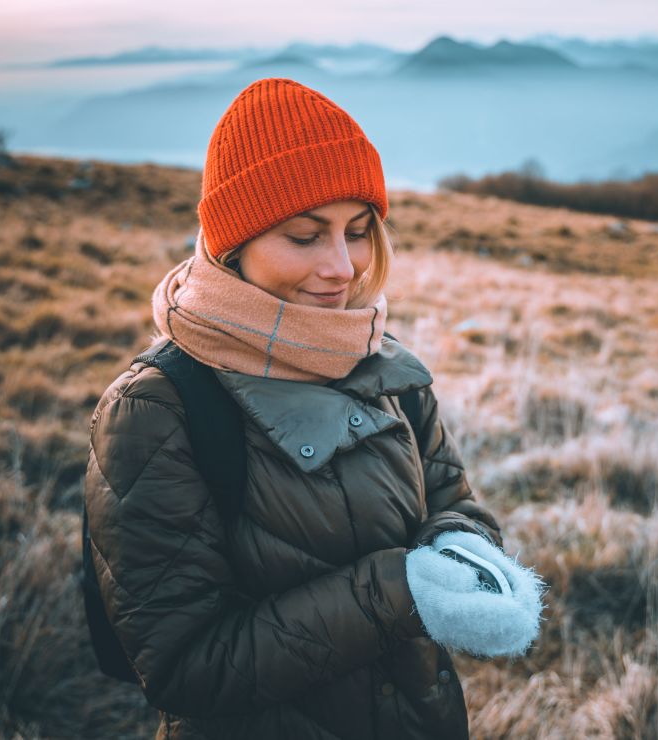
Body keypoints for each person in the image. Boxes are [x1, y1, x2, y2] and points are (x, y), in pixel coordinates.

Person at [85, 77, 544, 740]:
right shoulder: (156, 410)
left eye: (358, 232)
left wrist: (464, 552)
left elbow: (452, 497)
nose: (342, 267)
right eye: (304, 236)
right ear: (235, 244)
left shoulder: (381, 361)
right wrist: (400, 590)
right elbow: (184, 666)